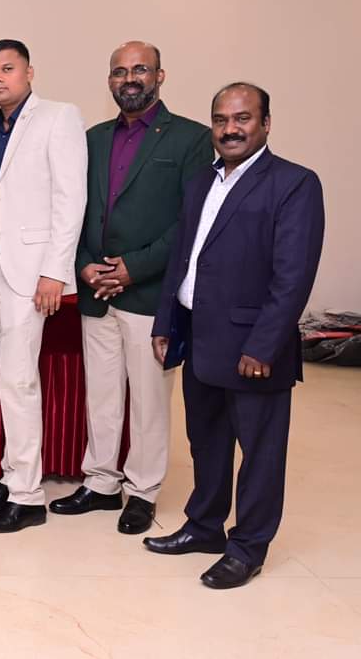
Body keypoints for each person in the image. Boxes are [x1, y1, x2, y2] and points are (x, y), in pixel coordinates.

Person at [144, 83, 324, 589]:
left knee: (260, 454)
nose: (230, 129)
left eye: (242, 118)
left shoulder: (293, 183)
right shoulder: (203, 179)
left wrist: (263, 346)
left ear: (265, 123)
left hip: (253, 350)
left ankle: (247, 548)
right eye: (221, 119)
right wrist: (165, 322)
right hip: (200, 338)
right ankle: (204, 527)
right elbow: (183, 257)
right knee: (207, 443)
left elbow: (293, 278)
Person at [49, 42, 212, 534]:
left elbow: (191, 221)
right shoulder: (93, 138)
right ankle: (101, 483)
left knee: (148, 401)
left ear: (160, 75)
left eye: (140, 69)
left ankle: (142, 491)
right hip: (96, 291)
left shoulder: (191, 139)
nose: (129, 78)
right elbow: (74, 209)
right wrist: (83, 265)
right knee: (101, 396)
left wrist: (133, 268)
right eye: (119, 72)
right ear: (109, 81)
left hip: (149, 293)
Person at [0, 39, 87, 533]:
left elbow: (71, 199)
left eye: (7, 69)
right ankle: (12, 476)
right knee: (7, 380)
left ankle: (28, 496)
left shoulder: (58, 117)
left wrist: (55, 271)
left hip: (31, 275)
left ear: (29, 72)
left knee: (18, 381)